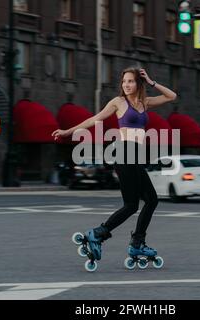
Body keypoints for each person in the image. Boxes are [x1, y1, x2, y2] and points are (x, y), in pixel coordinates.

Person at [52, 67, 177, 264]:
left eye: (131, 81)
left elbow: (171, 96)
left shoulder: (145, 102)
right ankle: (98, 234)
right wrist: (68, 131)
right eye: (124, 81)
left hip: (137, 155)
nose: (126, 85)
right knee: (131, 204)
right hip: (124, 152)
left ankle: (136, 243)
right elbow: (95, 119)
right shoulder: (119, 102)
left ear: (139, 83)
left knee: (151, 200)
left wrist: (151, 81)